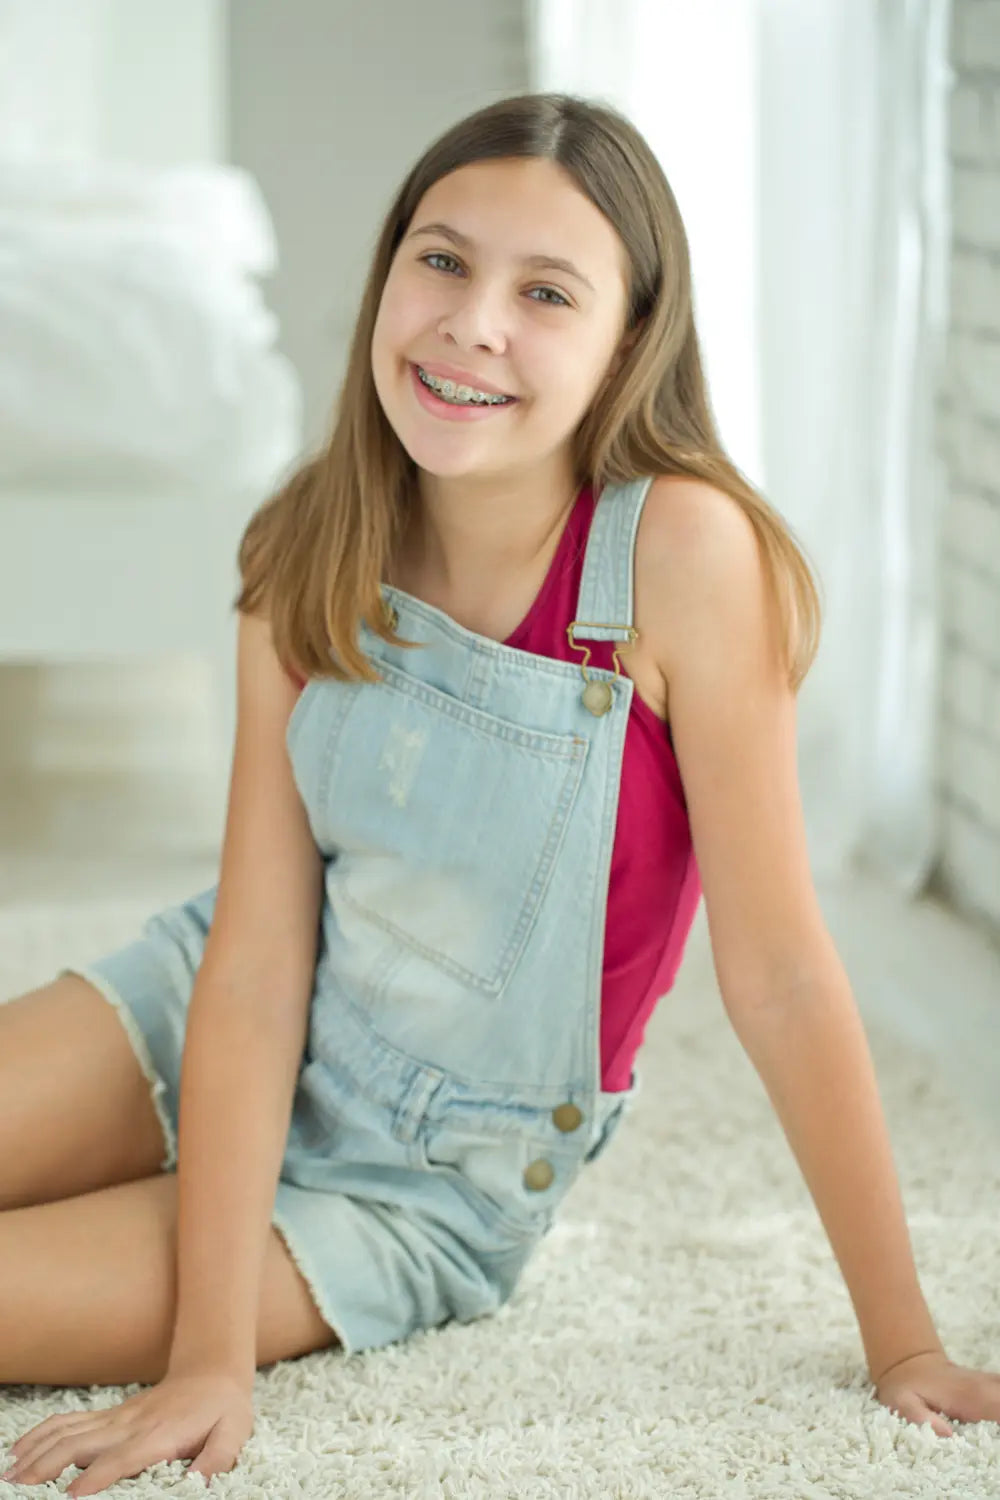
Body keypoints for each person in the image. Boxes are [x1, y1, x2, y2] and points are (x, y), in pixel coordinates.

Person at [2, 90, 998, 1497]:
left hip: (412, 1186)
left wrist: (905, 1347)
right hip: (211, 1008)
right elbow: (256, 957)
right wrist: (207, 1351)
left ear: (629, 340)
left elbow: (776, 973)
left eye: (547, 292)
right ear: (387, 274)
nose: (476, 323)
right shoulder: (307, 541)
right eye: (443, 261)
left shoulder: (688, 560)